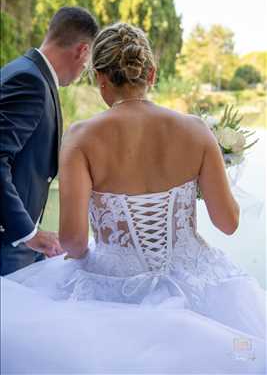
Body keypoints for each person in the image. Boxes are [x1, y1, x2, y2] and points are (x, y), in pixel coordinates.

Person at [2, 23, 266, 374]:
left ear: (100, 77)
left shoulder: (81, 139)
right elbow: (228, 223)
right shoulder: (196, 131)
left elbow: (75, 242)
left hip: (111, 292)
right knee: (234, 354)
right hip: (199, 289)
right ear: (152, 73)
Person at [0, 6, 98, 275]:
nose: (82, 71)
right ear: (82, 51)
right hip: (8, 244)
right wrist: (28, 233)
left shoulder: (27, 72)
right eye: (86, 63)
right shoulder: (29, 81)